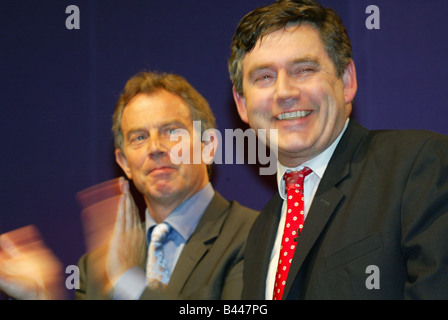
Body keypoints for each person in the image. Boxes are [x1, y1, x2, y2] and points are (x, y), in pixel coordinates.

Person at [228, 0, 448, 299]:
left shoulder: (419, 166)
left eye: (304, 70)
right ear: (242, 104)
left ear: (346, 81)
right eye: (264, 77)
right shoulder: (260, 233)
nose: (285, 92)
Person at [75, 71, 258, 300]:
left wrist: (129, 284)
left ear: (208, 146)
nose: (155, 148)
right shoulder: (97, 267)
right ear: (124, 163)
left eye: (171, 132)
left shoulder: (257, 235)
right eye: (139, 137)